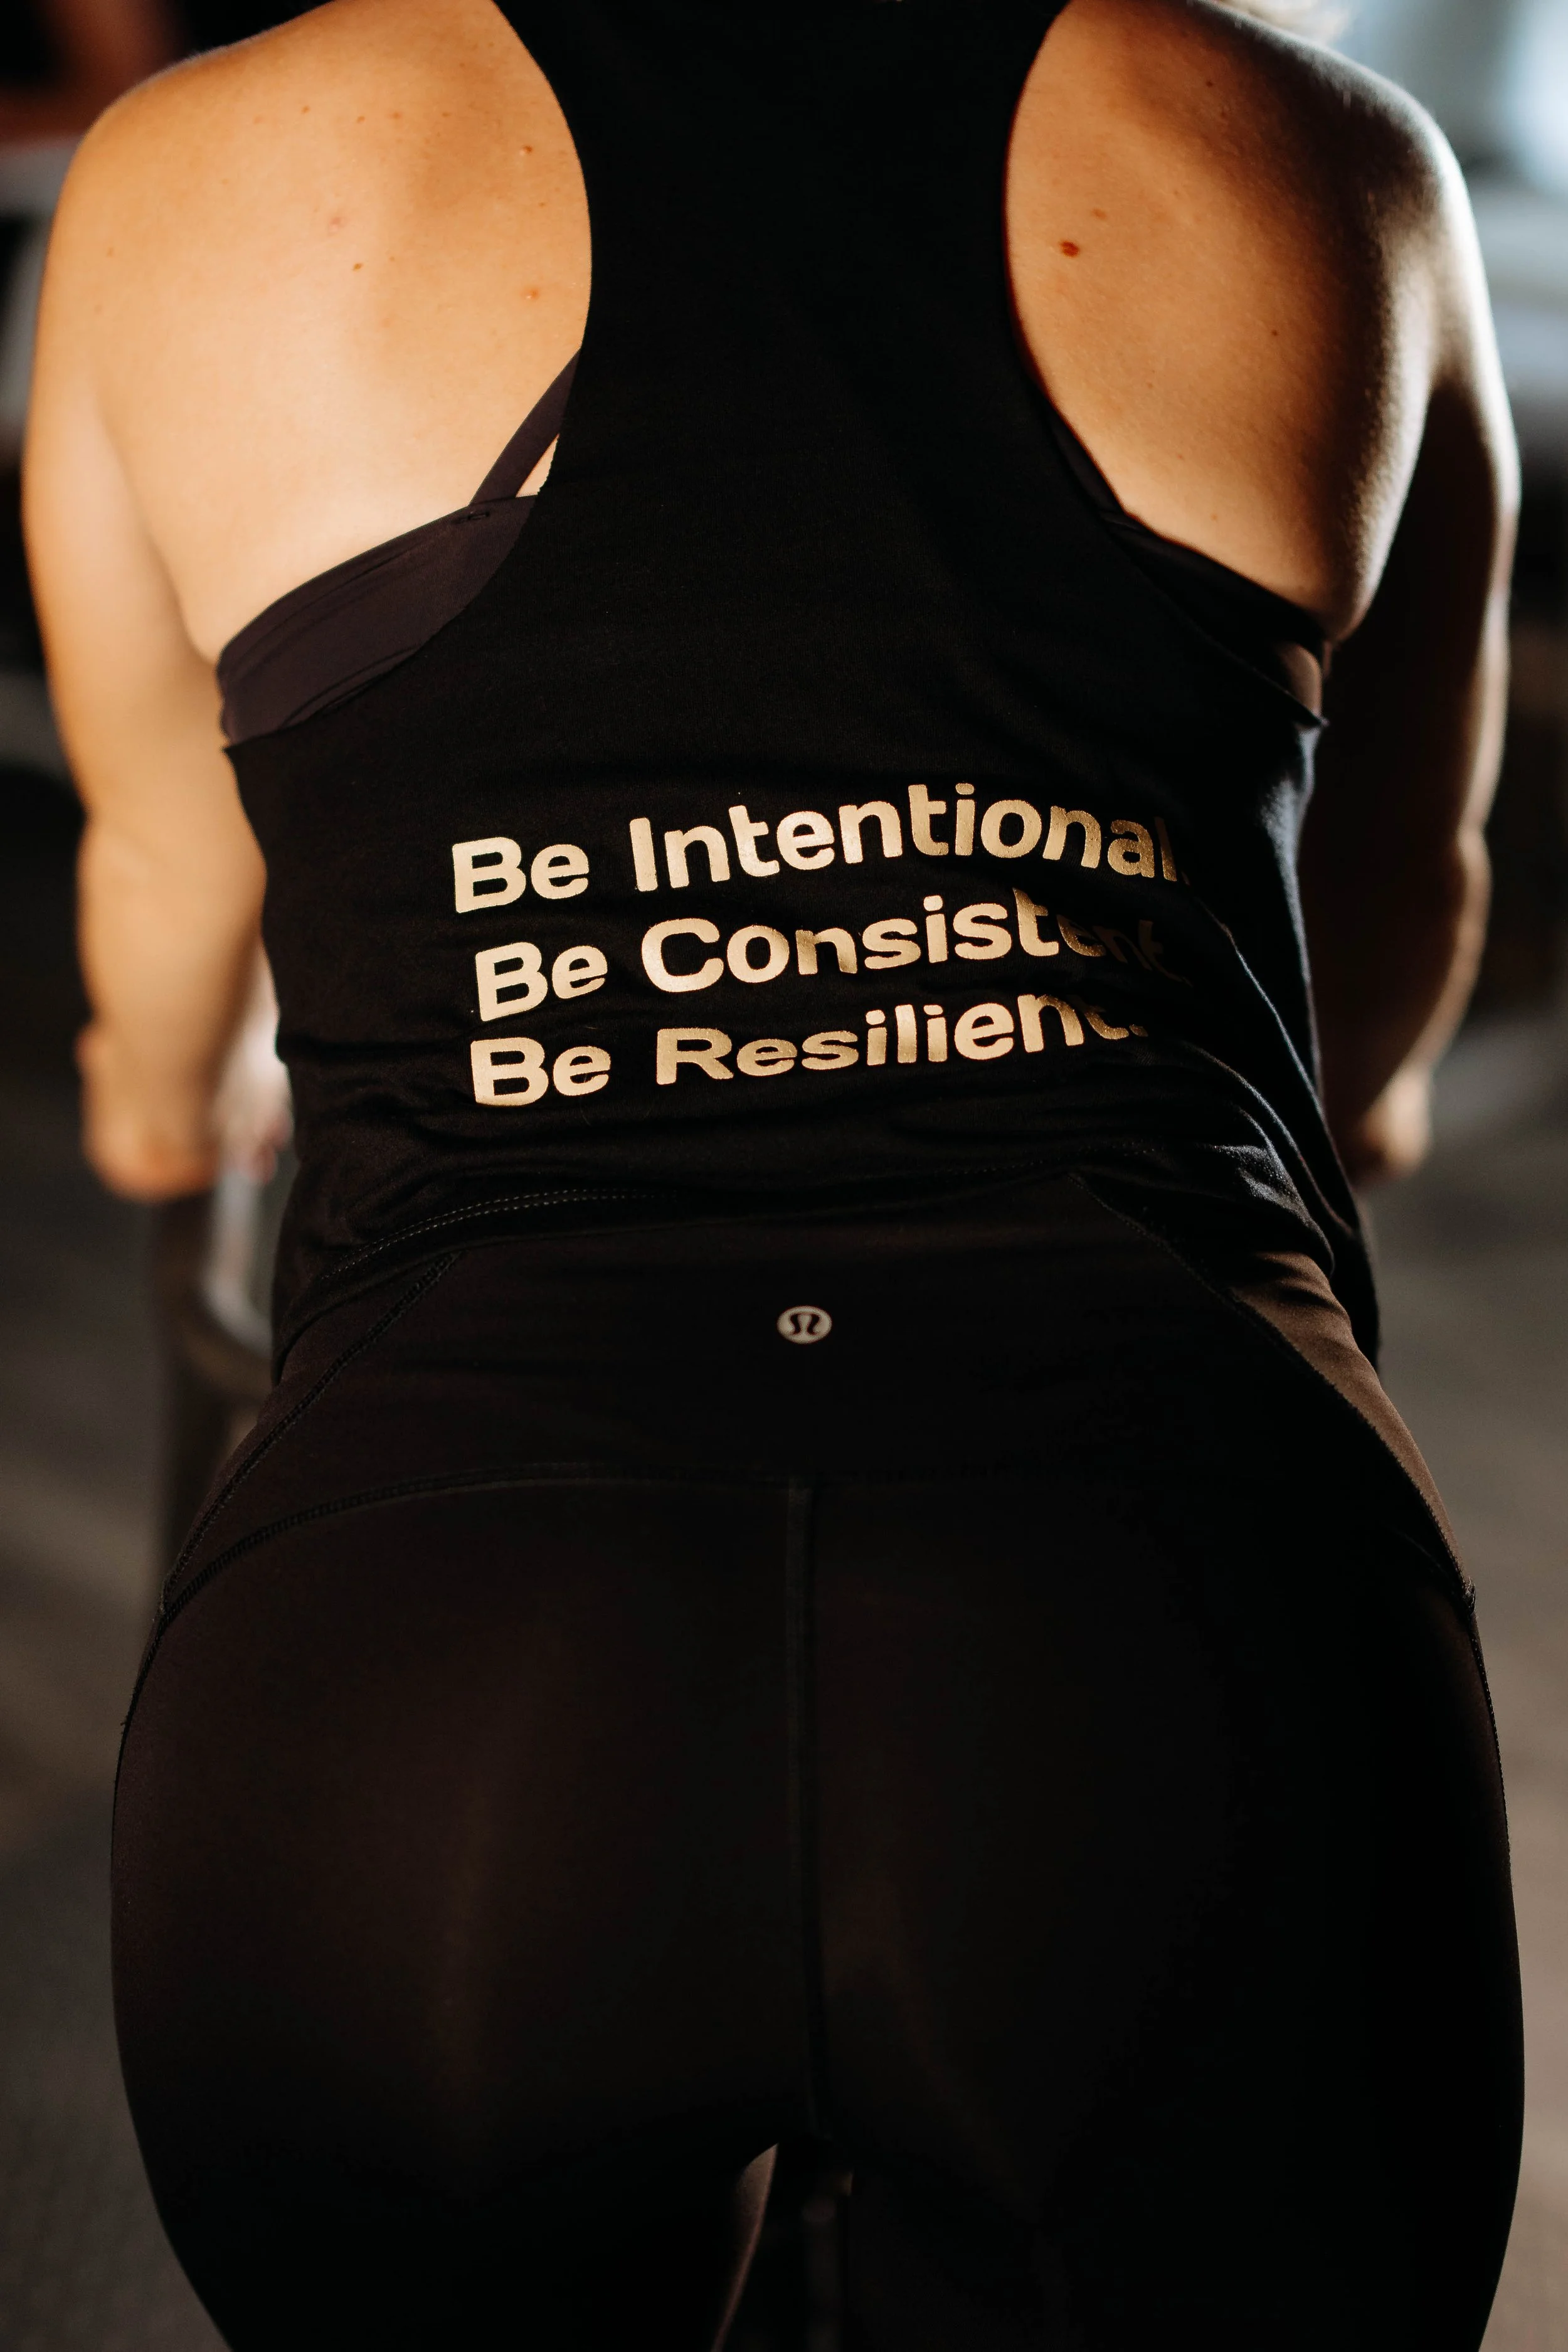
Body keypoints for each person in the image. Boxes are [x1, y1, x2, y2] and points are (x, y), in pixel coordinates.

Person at [24, 0, 1522, 2344]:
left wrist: (171, 1086)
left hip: (438, 1659)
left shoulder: (190, 174)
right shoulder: (1321, 156)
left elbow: (157, 996)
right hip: (1168, 1633)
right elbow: (1393, 939)